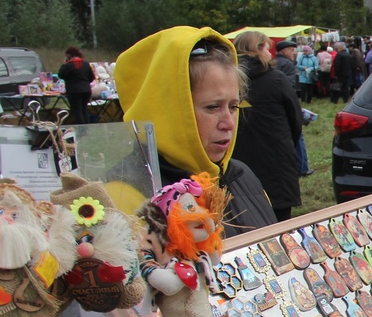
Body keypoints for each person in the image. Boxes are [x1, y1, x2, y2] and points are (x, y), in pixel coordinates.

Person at [116, 26, 277, 236]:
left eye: (233, 107)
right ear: (170, 112)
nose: (228, 123)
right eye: (212, 107)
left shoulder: (243, 177)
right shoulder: (126, 197)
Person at [231, 31, 302, 222]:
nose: (270, 53)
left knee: (244, 223)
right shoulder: (277, 80)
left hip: (238, 162)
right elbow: (296, 120)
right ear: (259, 49)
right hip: (276, 162)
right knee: (279, 226)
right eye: (267, 47)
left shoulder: (227, 80)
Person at [273, 40, 310, 178]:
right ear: (284, 51)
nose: (293, 53)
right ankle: (302, 168)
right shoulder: (288, 64)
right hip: (286, 104)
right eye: (291, 50)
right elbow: (289, 87)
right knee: (298, 136)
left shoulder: (272, 62)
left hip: (275, 107)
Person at [57, 46, 96, 124]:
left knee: (77, 111)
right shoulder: (86, 64)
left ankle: (82, 130)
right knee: (84, 110)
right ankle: (87, 128)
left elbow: (60, 75)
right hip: (86, 90)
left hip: (74, 91)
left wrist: (64, 64)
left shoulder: (68, 65)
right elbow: (92, 78)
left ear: (69, 55)